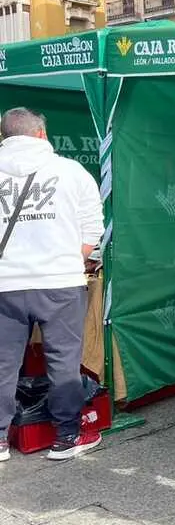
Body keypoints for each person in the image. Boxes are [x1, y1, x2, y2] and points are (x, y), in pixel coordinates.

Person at [0, 108, 104, 463]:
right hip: (60, 282)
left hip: (5, 284)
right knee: (63, 362)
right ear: (42, 134)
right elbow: (92, 231)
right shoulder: (71, 172)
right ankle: (66, 437)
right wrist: (69, 261)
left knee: (3, 363)